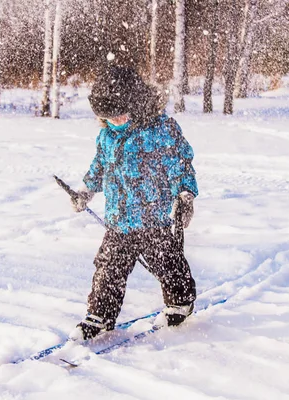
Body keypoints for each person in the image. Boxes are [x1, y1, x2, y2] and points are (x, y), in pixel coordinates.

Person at [69, 66, 198, 340]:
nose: (116, 122)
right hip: (119, 221)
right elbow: (99, 167)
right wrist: (84, 192)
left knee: (168, 262)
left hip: (152, 219)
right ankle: (100, 315)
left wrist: (185, 195)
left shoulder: (161, 130)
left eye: (121, 115)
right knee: (108, 268)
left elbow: (181, 164)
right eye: (108, 118)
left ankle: (180, 302)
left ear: (137, 104)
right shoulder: (106, 137)